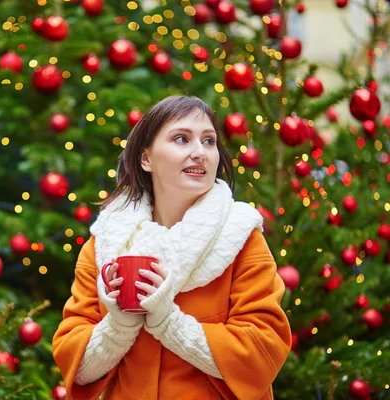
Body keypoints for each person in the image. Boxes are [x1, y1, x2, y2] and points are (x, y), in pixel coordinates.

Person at [52, 95, 292, 400]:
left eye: (209, 141)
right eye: (181, 139)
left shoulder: (241, 238)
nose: (200, 152)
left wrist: (168, 321)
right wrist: (120, 325)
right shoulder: (106, 242)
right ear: (146, 159)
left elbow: (261, 356)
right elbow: (76, 365)